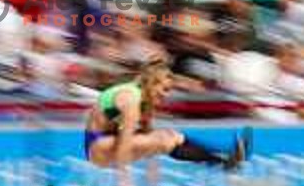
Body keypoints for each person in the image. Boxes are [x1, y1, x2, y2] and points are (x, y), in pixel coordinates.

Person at [83, 59, 250, 177]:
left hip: (110, 141)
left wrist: (152, 172)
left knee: (173, 136)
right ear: (152, 84)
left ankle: (224, 160)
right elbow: (125, 143)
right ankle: (224, 161)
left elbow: (147, 134)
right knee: (164, 142)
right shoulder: (131, 98)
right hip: (96, 148)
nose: (166, 95)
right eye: (164, 89)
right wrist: (124, 185)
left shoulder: (145, 100)